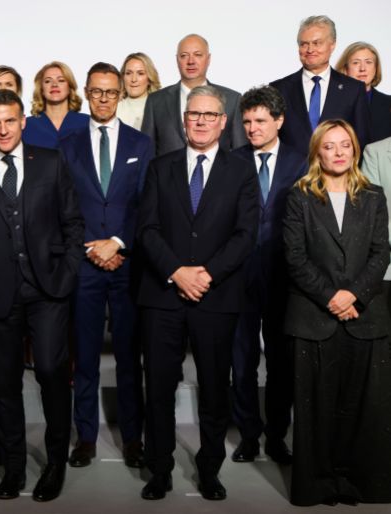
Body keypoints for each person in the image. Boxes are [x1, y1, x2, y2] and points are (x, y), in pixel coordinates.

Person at [0, 89, 85, 502]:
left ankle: (56, 463)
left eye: (10, 120)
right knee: (3, 383)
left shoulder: (51, 162)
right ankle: (13, 467)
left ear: (23, 121)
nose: (3, 129)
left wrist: (67, 273)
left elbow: (73, 223)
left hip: (48, 289)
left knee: (51, 372)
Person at [137, 85, 259, 501]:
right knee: (158, 389)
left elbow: (245, 234)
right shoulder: (160, 168)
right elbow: (146, 229)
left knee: (214, 388)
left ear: (223, 122)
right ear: (183, 120)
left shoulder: (241, 171)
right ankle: (160, 470)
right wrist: (176, 271)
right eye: (194, 114)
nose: (201, 121)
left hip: (216, 295)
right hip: (162, 295)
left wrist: (206, 275)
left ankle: (210, 470)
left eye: (210, 115)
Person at [283, 119, 391, 506]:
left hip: (365, 316)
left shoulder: (374, 196)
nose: (339, 152)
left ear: (355, 150)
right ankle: (319, 485)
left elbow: (381, 252)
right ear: (318, 152)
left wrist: (354, 296)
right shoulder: (299, 196)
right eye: (329, 146)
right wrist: (332, 297)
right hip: (315, 317)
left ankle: (358, 483)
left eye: (345, 144)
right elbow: (295, 257)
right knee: (317, 408)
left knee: (363, 407)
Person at [59, 62, 152, 469]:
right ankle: (86, 437)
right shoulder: (68, 145)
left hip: (127, 265)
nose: (103, 99)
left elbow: (146, 204)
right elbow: (63, 206)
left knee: (129, 356)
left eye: (111, 92)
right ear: (86, 93)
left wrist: (117, 243)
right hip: (84, 265)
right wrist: (90, 248)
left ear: (120, 95)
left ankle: (133, 438)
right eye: (96, 91)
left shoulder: (141, 144)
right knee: (85, 356)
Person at [230, 86, 306, 466]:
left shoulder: (301, 161)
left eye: (260, 120)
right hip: (239, 273)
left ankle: (277, 435)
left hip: (283, 274)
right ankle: (248, 435)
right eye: (247, 121)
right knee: (241, 359)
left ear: (279, 120)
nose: (252, 128)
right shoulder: (231, 161)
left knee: (280, 360)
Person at [270, 15, 371, 156]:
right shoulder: (278, 89)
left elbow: (361, 141)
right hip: (292, 169)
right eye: (304, 44)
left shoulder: (354, 89)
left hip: (338, 168)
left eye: (317, 43)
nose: (310, 49)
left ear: (332, 45)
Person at [141, 34, 245, 157]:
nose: (191, 61)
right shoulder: (156, 101)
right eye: (184, 56)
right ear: (177, 60)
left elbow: (241, 153)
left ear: (208, 59)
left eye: (198, 55)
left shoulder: (232, 100)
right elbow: (145, 153)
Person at [22, 61, 88, 149]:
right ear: (41, 89)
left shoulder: (87, 123)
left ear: (70, 87)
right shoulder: (26, 126)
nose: (54, 84)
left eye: (61, 80)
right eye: (47, 81)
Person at [336, 41, 391, 143]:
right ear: (345, 68)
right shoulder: (331, 101)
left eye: (368, 62)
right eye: (355, 63)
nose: (362, 68)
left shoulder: (389, 104)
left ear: (376, 68)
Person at [117, 52, 161, 130]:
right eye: (128, 73)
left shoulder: (161, 108)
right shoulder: (113, 108)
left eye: (140, 73)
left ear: (149, 78)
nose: (134, 79)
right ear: (123, 77)